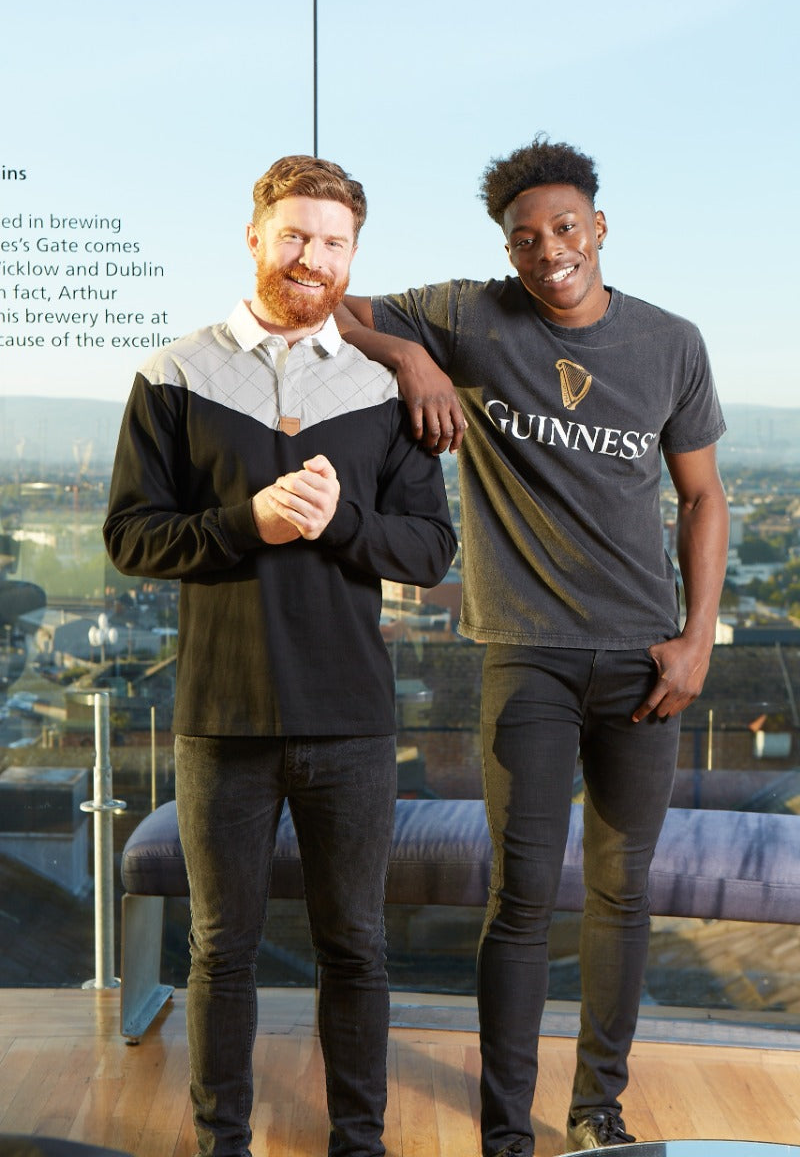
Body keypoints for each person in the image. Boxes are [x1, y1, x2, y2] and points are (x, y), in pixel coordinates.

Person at [335, 136, 730, 1155]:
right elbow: (335, 307)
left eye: (563, 227)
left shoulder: (670, 343)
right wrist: (416, 357)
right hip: (527, 658)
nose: (547, 248)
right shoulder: (468, 315)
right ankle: (506, 1133)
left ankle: (596, 1111)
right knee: (518, 896)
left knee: (621, 890)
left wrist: (693, 644)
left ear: (597, 228)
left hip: (645, 660)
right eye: (525, 237)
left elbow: (700, 497)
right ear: (505, 251)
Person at [103, 155, 457, 1157]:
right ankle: (220, 1144)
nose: (311, 256)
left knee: (356, 948)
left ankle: (360, 1144)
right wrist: (247, 521)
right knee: (220, 952)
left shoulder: (388, 388)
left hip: (351, 718)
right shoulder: (172, 376)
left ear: (353, 257)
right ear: (254, 237)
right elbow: (132, 541)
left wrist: (342, 522)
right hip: (221, 717)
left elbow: (430, 552)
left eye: (333, 242)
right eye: (294, 235)